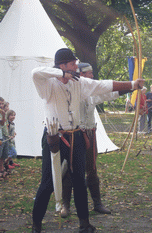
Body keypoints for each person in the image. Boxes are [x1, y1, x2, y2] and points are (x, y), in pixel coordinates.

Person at [31, 48, 144, 233]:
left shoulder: (79, 82)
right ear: (62, 65)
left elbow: (103, 86)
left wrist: (132, 83)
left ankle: (85, 223)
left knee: (79, 181)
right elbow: (35, 72)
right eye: (72, 63)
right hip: (54, 137)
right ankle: (36, 226)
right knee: (48, 183)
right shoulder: (47, 84)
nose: (76, 65)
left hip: (76, 135)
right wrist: (61, 74)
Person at [61, 62, 131, 218]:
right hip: (74, 134)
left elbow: (108, 93)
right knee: (69, 169)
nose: (92, 76)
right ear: (80, 74)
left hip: (90, 134)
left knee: (91, 169)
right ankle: (65, 205)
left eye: (92, 73)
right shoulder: (69, 89)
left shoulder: (91, 91)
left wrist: (131, 87)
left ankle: (97, 203)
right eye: (88, 73)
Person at [0, 97, 9, 179]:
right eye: (0, 104)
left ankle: (2, 168)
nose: (1, 105)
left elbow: (2, 124)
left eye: (2, 103)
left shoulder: (3, 113)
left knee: (3, 154)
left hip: (3, 136)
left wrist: (3, 115)